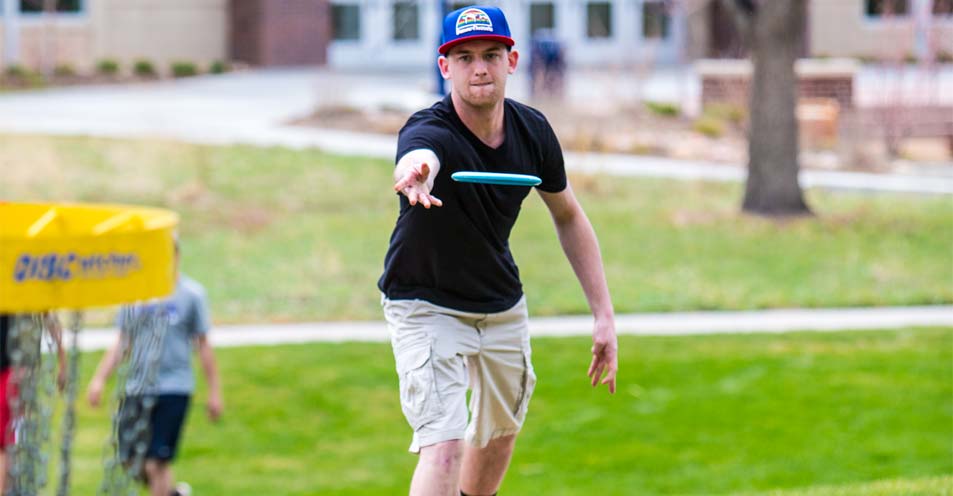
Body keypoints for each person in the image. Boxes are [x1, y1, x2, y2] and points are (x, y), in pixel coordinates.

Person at [378, 5, 618, 495]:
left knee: (500, 435)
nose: (479, 68)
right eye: (463, 57)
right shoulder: (430, 129)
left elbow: (568, 215)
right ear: (445, 67)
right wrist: (416, 172)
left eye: (490, 54)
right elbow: (419, 153)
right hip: (425, 300)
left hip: (499, 301)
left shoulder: (533, 133)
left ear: (513, 60)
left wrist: (603, 314)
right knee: (443, 446)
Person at [87, 239, 223, 496]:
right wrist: (99, 379)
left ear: (176, 257)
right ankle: (172, 494)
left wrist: (214, 391)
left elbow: (203, 344)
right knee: (130, 460)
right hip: (136, 386)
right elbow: (122, 341)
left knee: (156, 463)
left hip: (174, 387)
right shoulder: (134, 294)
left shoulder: (191, 294)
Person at [0, 312, 67, 494]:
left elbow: (48, 315)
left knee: (6, 442)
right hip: (14, 368)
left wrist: (62, 360)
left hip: (12, 369)